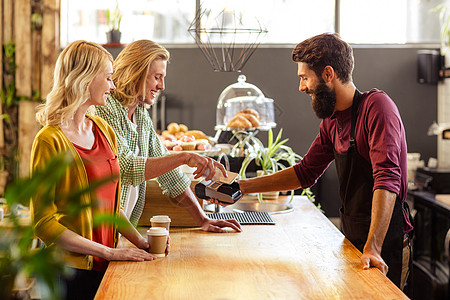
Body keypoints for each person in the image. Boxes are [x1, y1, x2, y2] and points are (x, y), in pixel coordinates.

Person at [235, 33, 413, 289]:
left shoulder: (376, 107)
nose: (301, 87)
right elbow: (305, 172)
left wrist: (373, 247)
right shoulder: (332, 121)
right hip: (354, 244)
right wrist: (242, 187)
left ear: (328, 74)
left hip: (383, 247)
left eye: (305, 77)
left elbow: (387, 179)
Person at [31, 40, 163, 300]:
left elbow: (109, 207)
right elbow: (43, 224)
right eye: (109, 78)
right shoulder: (49, 140)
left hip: (106, 265)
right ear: (86, 78)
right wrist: (110, 252)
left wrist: (141, 242)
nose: (113, 86)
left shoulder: (103, 130)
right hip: (67, 272)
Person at [95, 39, 241, 232]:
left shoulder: (140, 116)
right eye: (157, 77)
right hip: (100, 231)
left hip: (122, 231)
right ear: (136, 74)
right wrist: (184, 157)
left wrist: (203, 219)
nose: (162, 86)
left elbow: (171, 176)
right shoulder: (105, 110)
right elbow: (126, 168)